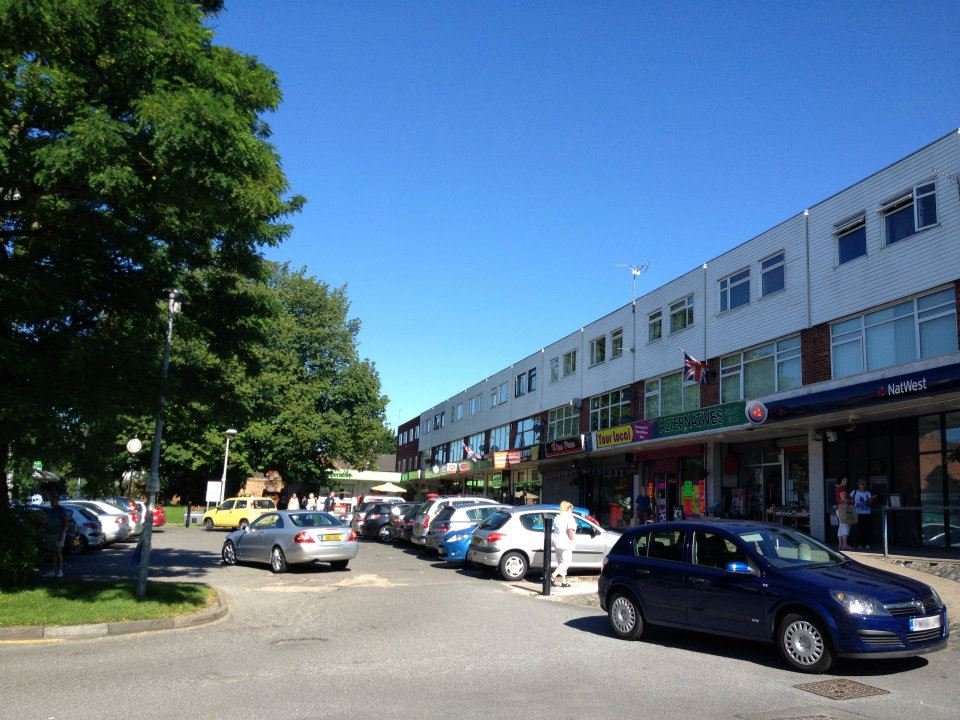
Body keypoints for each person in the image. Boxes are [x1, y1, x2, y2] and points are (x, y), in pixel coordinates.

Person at [549, 501, 577, 588]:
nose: (572, 510)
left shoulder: (557, 517)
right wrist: (572, 538)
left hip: (557, 542)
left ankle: (564, 581)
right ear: (568, 509)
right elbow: (570, 530)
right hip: (566, 543)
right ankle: (553, 575)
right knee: (566, 562)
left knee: (560, 562)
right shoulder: (570, 518)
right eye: (571, 509)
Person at [42, 496, 70, 578]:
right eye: (51, 500)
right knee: (52, 552)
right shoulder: (51, 511)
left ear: (57, 501)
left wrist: (62, 534)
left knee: (58, 551)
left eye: (53, 501)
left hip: (59, 533)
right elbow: (47, 521)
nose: (52, 502)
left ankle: (60, 570)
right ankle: (53, 571)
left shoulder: (61, 510)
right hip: (50, 533)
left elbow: (65, 522)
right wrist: (43, 525)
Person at [851, 479, 873, 549]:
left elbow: (870, 504)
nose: (863, 486)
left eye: (865, 484)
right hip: (857, 513)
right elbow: (848, 499)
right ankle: (859, 544)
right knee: (858, 529)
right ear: (858, 485)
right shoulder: (854, 492)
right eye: (862, 484)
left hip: (867, 513)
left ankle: (867, 544)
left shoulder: (868, 493)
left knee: (867, 529)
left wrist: (870, 500)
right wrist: (852, 501)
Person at [835, 476, 852, 551]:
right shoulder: (842, 488)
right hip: (843, 509)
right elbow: (843, 499)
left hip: (839, 509)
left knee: (841, 526)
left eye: (846, 480)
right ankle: (845, 545)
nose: (845, 481)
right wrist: (851, 501)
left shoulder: (838, 488)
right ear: (840, 481)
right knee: (846, 526)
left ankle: (840, 545)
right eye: (844, 480)